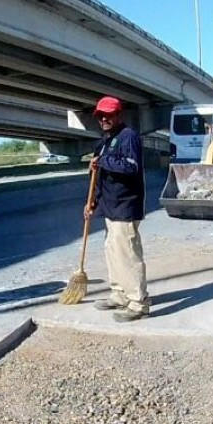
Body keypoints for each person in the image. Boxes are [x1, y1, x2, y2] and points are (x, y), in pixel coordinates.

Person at [85, 96, 149, 322]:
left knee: (127, 254)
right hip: (109, 207)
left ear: (118, 115)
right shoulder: (103, 142)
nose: (104, 119)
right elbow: (98, 177)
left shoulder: (128, 136)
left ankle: (138, 303)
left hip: (125, 205)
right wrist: (91, 202)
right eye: (100, 116)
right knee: (113, 252)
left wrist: (102, 162)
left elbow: (131, 167)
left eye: (108, 115)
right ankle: (120, 294)